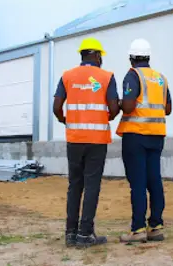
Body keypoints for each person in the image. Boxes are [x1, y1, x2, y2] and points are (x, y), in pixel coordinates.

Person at [53, 37, 120, 248]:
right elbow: (114, 108)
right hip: (97, 141)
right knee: (92, 186)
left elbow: (56, 107)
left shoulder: (67, 76)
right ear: (97, 55)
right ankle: (85, 235)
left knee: (75, 185)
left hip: (74, 139)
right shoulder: (107, 77)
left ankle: (70, 233)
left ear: (82, 55)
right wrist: (105, 117)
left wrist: (65, 120)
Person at [116, 38, 172, 243]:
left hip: (136, 135)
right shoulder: (160, 78)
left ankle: (138, 229)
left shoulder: (132, 76)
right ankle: (156, 226)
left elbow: (129, 107)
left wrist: (119, 103)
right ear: (148, 57)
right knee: (154, 180)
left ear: (131, 58)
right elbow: (168, 109)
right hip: (156, 136)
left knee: (138, 183)